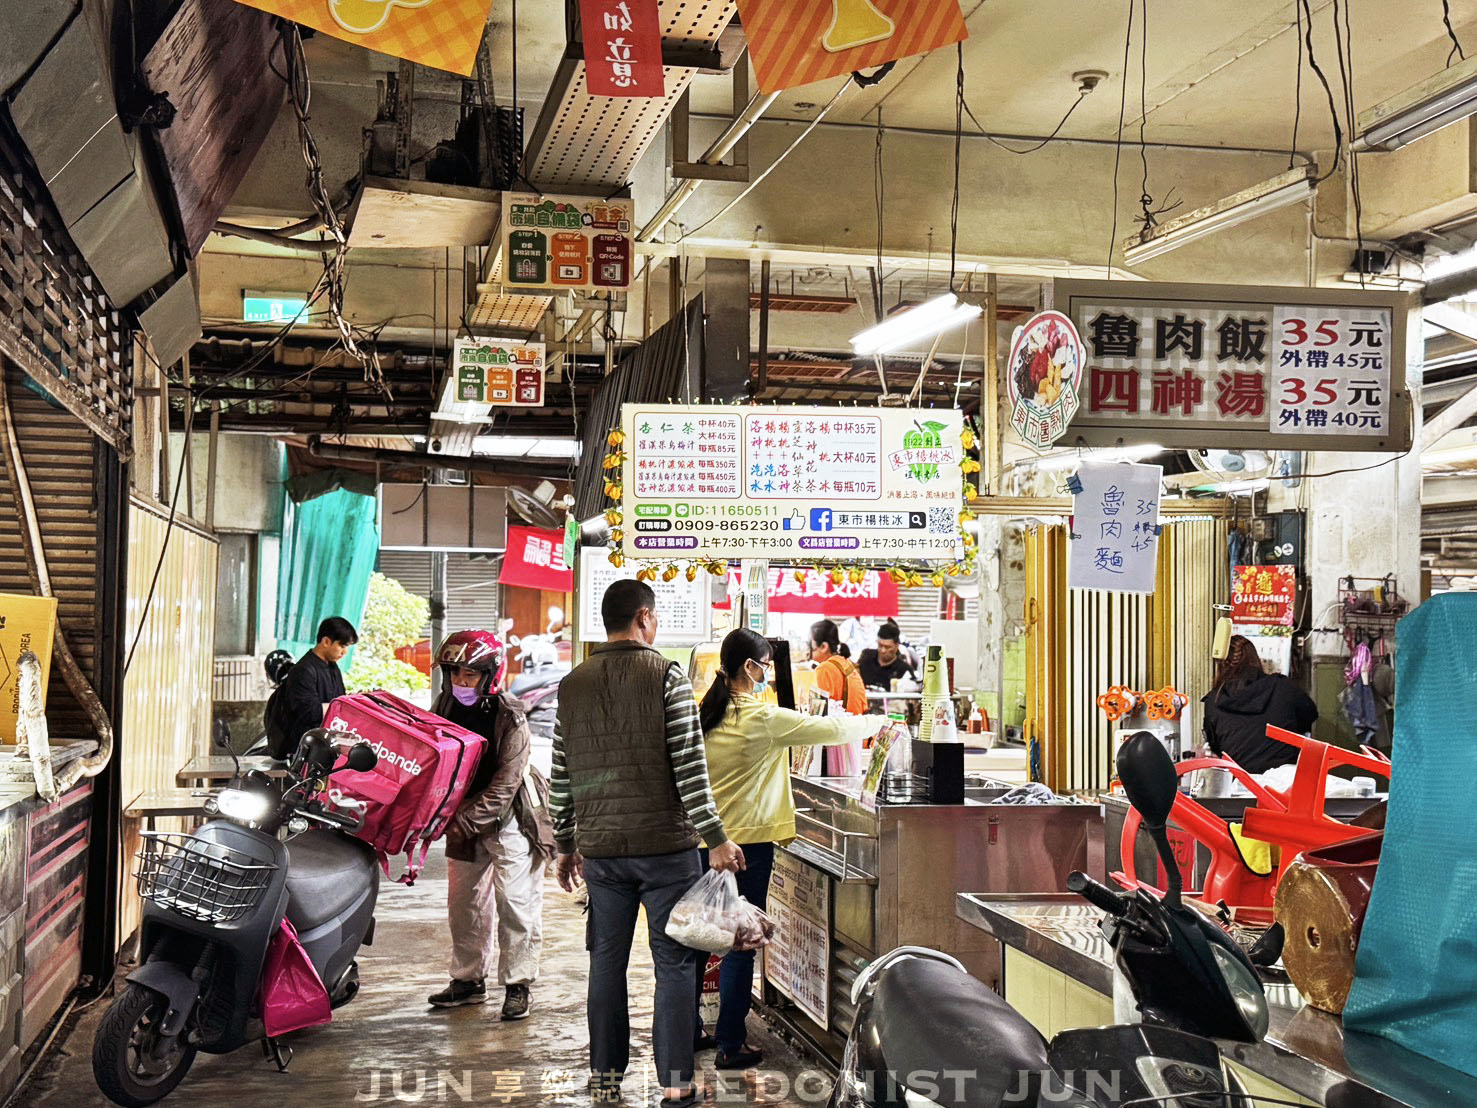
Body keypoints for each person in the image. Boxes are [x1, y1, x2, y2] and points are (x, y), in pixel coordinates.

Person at [550, 579, 744, 1108]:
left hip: (604, 852)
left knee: (606, 964)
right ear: (643, 617)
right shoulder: (666, 676)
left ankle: (605, 1079)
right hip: (666, 852)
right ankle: (676, 1086)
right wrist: (718, 839)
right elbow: (689, 767)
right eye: (654, 618)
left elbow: (562, 773)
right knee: (675, 965)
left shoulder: (572, 684)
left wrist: (565, 843)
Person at [694, 629, 886, 1069]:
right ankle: (730, 1042)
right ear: (750, 667)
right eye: (765, 666)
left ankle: (691, 1029)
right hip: (748, 849)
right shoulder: (760, 717)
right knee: (741, 941)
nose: (768, 675)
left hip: (705, 843)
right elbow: (828, 728)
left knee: (701, 940)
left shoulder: (706, 712)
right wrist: (878, 724)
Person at [426, 630, 554, 1020]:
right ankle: (468, 980)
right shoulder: (444, 704)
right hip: (461, 819)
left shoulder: (510, 716)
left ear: (490, 674)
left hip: (510, 818)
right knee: (463, 904)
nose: (462, 682)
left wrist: (463, 819)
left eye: (470, 675)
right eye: (455, 674)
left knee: (515, 903)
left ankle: (518, 985)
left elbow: (507, 782)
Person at [1201, 635, 1319, 774]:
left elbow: (1215, 746)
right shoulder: (1283, 687)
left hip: (1237, 784)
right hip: (1282, 783)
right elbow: (1310, 715)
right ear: (1256, 659)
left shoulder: (1214, 700)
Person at [265, 617, 357, 759]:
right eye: (342, 646)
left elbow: (339, 699)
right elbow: (310, 712)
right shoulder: (303, 670)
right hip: (304, 752)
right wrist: (343, 705)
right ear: (326, 641)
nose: (345, 652)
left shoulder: (332, 667)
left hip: (325, 747)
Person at [810, 618, 868, 775]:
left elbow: (819, 712)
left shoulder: (825, 668)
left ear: (824, 646)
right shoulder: (846, 663)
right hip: (854, 741)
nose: (810, 652)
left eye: (812, 647)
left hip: (837, 747)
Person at [856, 621, 916, 689]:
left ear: (897, 645)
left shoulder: (904, 670)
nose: (883, 650)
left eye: (888, 647)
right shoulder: (866, 657)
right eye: (880, 645)